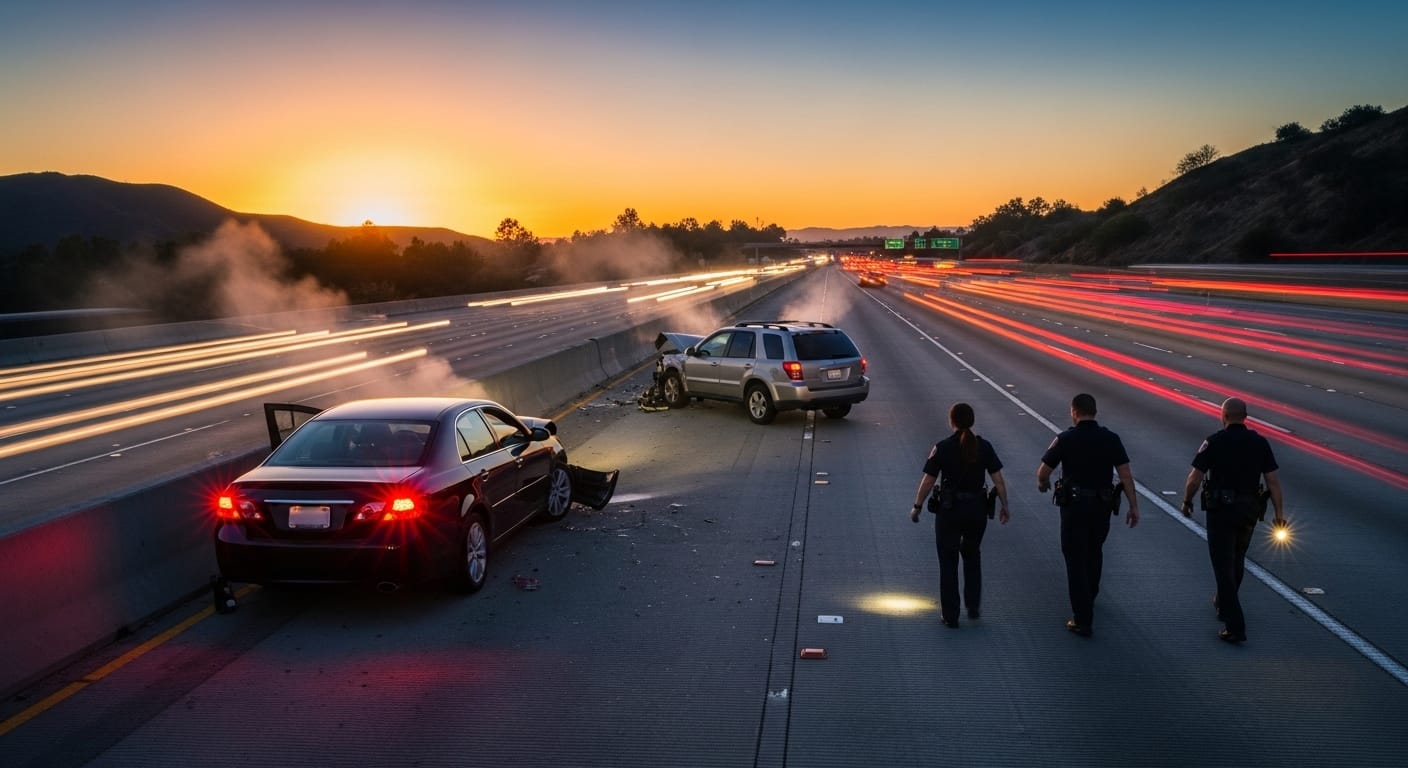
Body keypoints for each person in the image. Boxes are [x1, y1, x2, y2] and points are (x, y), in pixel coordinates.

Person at [1179, 397, 1286, 644]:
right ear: (1245, 417)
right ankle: (1224, 602)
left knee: (1222, 565)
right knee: (1237, 559)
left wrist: (1187, 501)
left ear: (1223, 416)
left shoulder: (1214, 442)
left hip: (1221, 510)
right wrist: (1279, 515)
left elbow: (1195, 477)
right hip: (1249, 509)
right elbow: (1273, 481)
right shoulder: (1260, 443)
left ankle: (1235, 625)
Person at [1036, 393, 1139, 638]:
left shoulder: (1065, 439)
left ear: (1074, 412)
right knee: (1094, 550)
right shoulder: (1111, 439)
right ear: (1095, 411)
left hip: (1074, 507)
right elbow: (1125, 475)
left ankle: (1082, 619)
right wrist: (1133, 506)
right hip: (1101, 505)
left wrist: (1043, 484)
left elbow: (1043, 471)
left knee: (1074, 557)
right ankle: (1089, 595)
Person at [910, 402, 1010, 628]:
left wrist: (917, 506)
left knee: (948, 561)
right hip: (977, 511)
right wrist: (1004, 506)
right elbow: (998, 480)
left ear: (951, 421)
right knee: (972, 555)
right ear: (972, 420)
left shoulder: (943, 447)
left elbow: (928, 480)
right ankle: (973, 605)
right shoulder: (984, 446)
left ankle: (951, 614)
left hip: (950, 511)